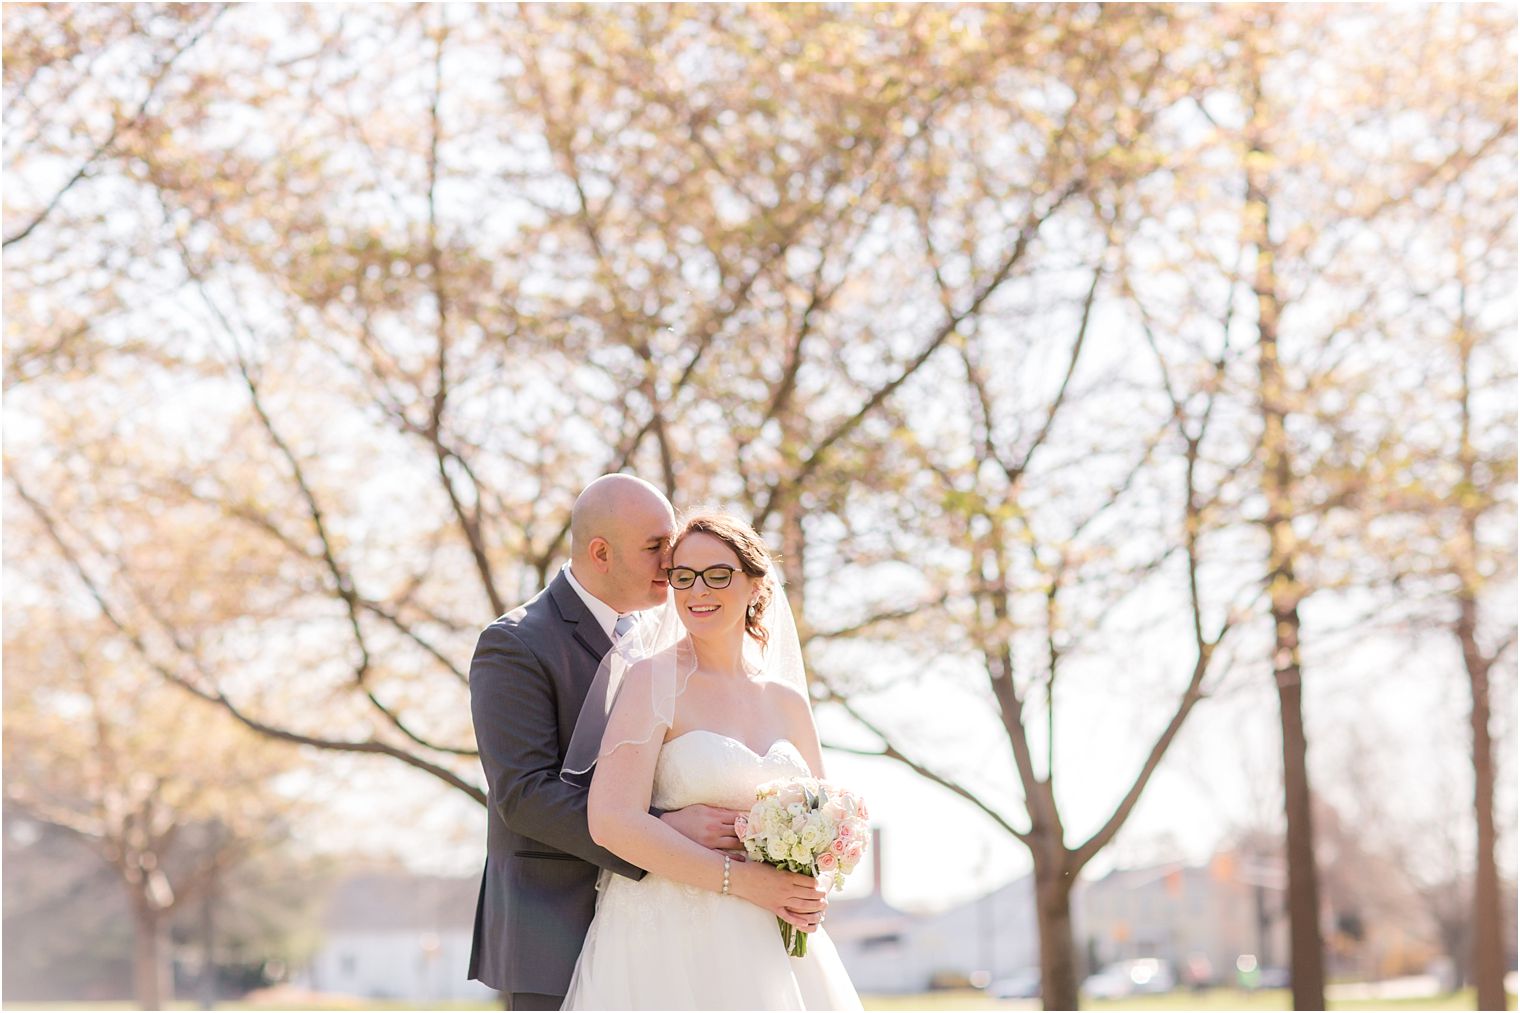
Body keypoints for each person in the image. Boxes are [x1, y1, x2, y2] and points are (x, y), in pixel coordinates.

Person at [467, 476, 792, 1010]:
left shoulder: (658, 642)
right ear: (601, 552)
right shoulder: (515, 643)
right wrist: (660, 829)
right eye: (654, 548)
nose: (671, 564)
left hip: (665, 925)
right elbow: (523, 794)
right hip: (553, 928)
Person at [559, 512, 861, 1010]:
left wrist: (813, 890)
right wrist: (743, 881)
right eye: (683, 576)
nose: (698, 590)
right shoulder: (650, 681)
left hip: (774, 938)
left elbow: (825, 819)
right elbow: (610, 820)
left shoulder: (788, 701)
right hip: (672, 932)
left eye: (718, 574)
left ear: (755, 585)